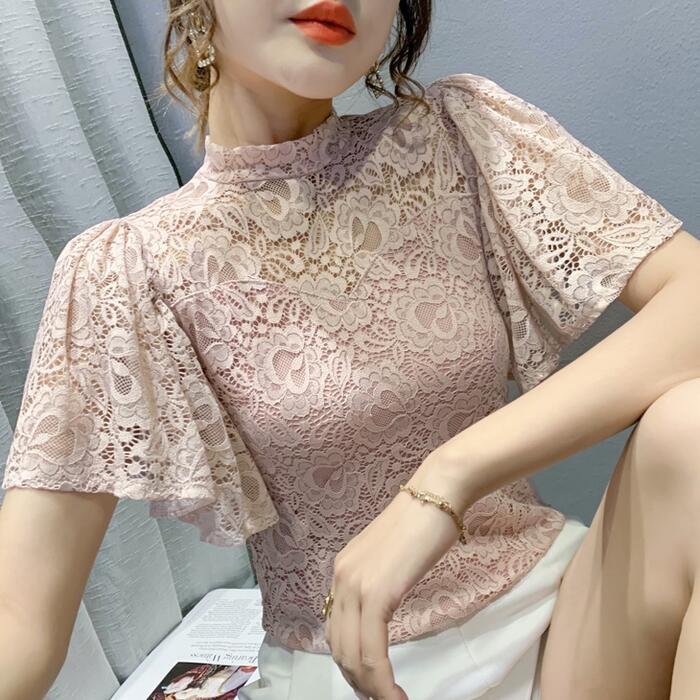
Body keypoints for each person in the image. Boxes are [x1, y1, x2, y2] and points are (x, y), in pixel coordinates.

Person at [1, 1, 697, 699]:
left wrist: (445, 480)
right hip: (356, 671)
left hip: (567, 621)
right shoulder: (130, 268)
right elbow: (20, 623)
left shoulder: (460, 135)